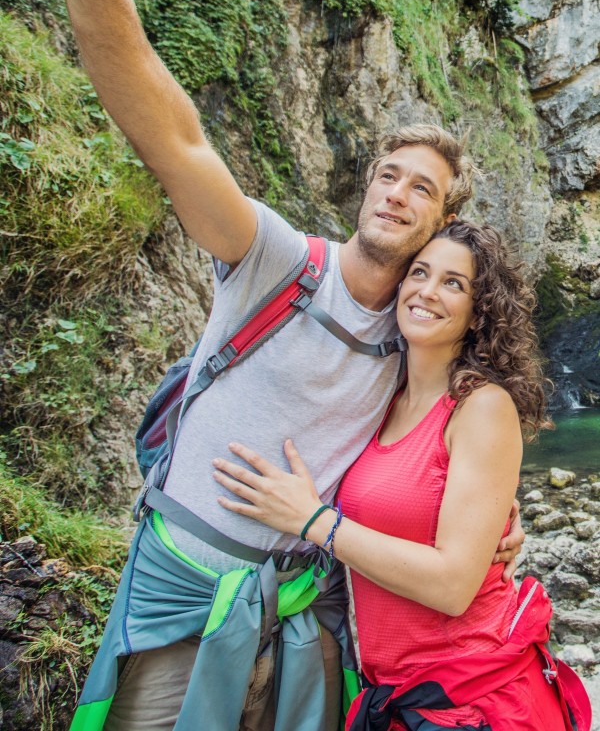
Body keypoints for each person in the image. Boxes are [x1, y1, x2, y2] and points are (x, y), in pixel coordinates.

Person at [58, 0, 524, 731]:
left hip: (305, 613)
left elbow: (448, 453)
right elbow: (176, 139)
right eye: (390, 175)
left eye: (423, 190)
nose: (398, 194)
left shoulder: (417, 339)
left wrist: (504, 519)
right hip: (179, 593)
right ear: (364, 187)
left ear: (442, 225)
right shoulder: (278, 259)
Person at [213, 221, 592, 731]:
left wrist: (315, 521)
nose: (428, 291)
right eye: (420, 272)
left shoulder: (481, 407)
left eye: (454, 283)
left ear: (480, 311)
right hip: (395, 692)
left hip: (472, 697)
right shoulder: (382, 400)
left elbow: (454, 585)